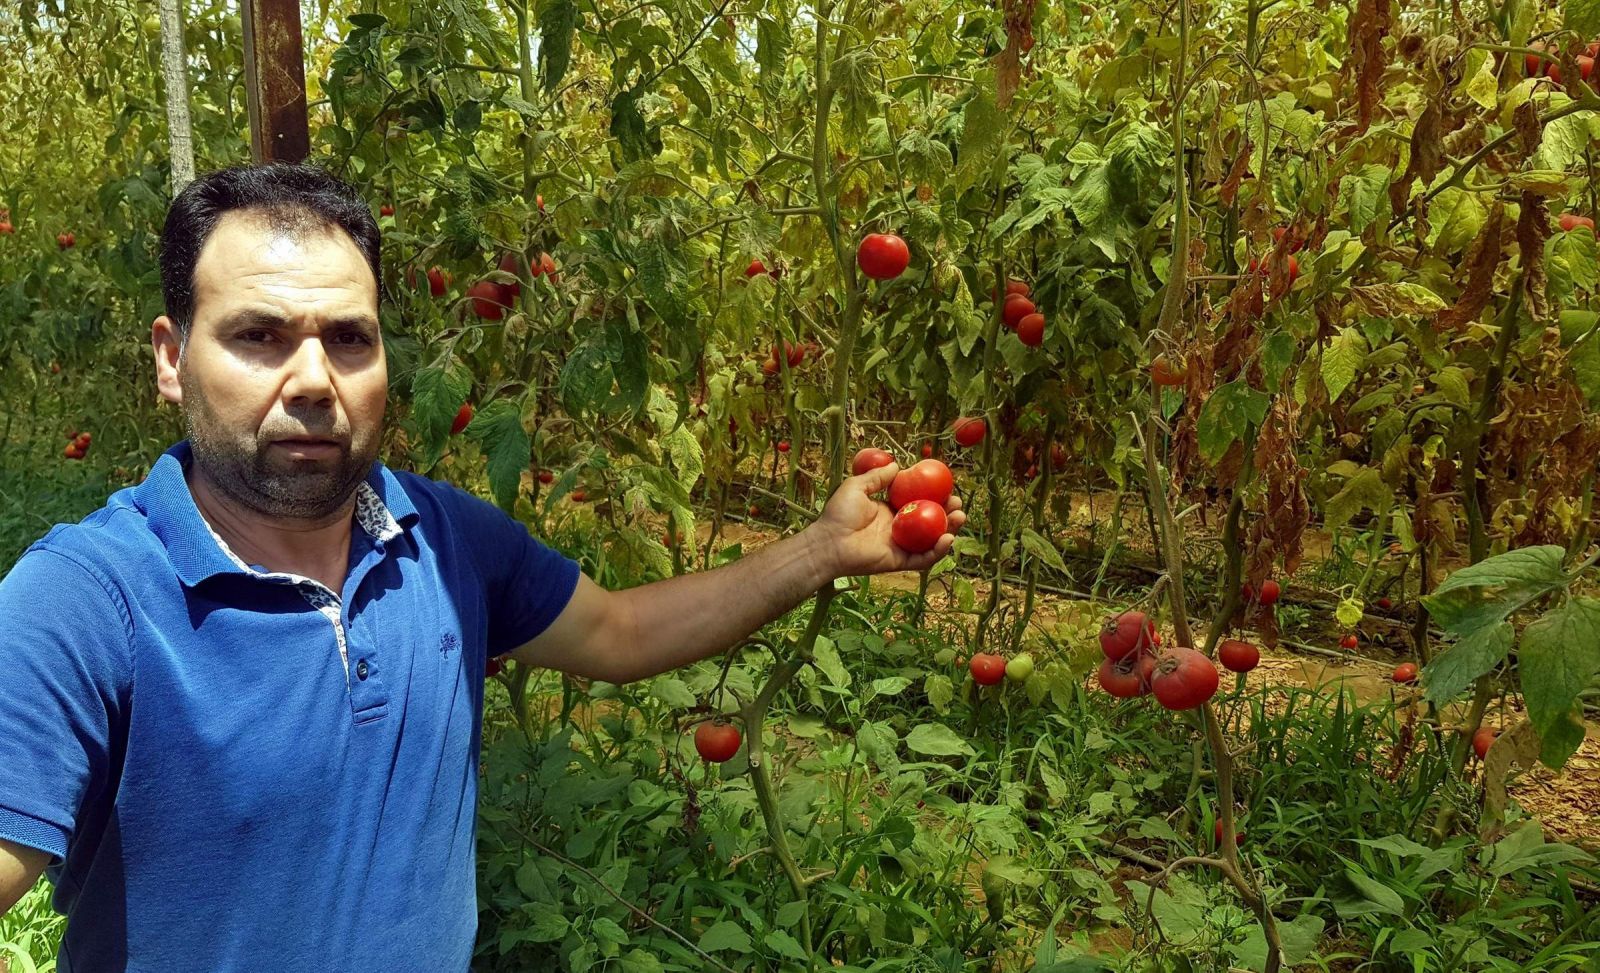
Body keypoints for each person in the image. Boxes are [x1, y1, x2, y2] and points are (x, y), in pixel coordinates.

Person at [0, 163, 964, 972]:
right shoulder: (87, 600)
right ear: (172, 358)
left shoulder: (441, 533)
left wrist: (823, 550)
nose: (312, 380)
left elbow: (621, 632)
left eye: (348, 338)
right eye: (258, 336)